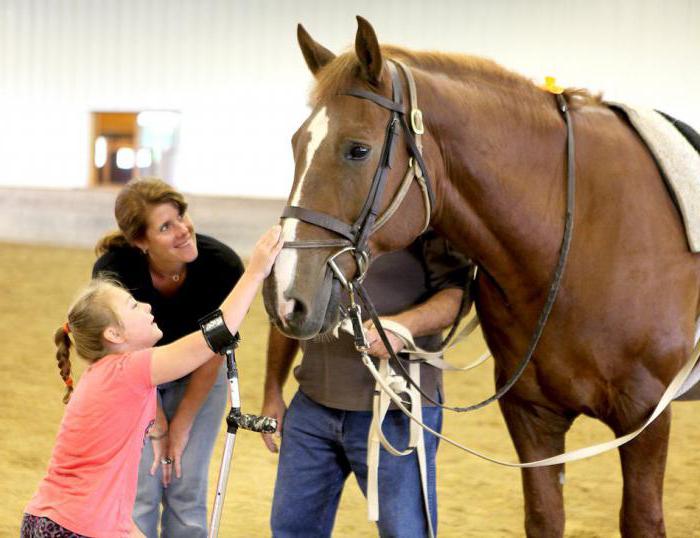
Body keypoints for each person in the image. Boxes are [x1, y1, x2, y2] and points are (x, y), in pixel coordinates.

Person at [22, 225, 283, 538]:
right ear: (114, 335)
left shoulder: (107, 375)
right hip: (74, 527)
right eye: (133, 306)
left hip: (63, 520)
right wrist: (255, 272)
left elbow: (108, 499)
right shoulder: (126, 369)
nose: (147, 306)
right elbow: (209, 341)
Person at [262, 230, 472, 537]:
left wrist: (404, 326)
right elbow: (290, 308)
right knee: (291, 529)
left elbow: (457, 294)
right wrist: (272, 391)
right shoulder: (312, 215)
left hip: (397, 410)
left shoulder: (421, 215)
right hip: (312, 407)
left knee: (406, 532)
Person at [91, 177, 243, 537]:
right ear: (139, 242)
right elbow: (127, 358)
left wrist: (182, 424)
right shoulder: (114, 273)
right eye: (165, 226)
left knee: (186, 485)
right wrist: (158, 425)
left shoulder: (222, 266)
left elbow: (213, 353)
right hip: (136, 377)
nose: (182, 230)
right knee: (142, 485)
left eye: (181, 216)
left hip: (202, 373)